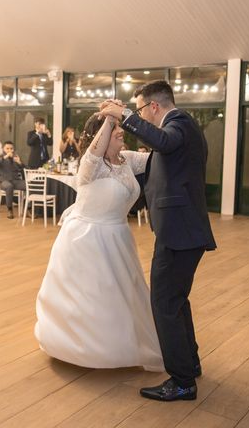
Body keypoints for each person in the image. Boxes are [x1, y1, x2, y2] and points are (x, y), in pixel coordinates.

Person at [100, 80, 216, 402]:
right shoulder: (183, 129)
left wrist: (123, 114)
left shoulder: (179, 124)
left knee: (164, 305)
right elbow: (163, 161)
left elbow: (164, 143)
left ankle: (181, 382)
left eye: (139, 109)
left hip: (179, 233)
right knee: (176, 302)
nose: (139, 116)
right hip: (182, 231)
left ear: (153, 106)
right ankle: (189, 365)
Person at [35, 113, 163, 372]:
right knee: (90, 294)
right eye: (115, 129)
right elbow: (94, 152)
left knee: (120, 293)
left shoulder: (128, 160)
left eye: (120, 128)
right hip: (85, 238)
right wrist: (109, 117)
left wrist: (128, 118)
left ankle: (119, 344)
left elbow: (158, 155)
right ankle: (78, 346)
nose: (120, 131)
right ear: (100, 135)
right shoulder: (90, 165)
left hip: (118, 237)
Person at [0, 141, 25, 219]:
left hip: (16, 181)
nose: (9, 150)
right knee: (9, 186)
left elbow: (24, 169)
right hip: (4, 181)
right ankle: (10, 209)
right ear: (3, 149)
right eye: (7, 148)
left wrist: (19, 162)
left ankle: (28, 209)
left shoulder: (16, 156)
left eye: (11, 148)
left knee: (30, 185)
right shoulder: (0, 156)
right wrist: (5, 157)